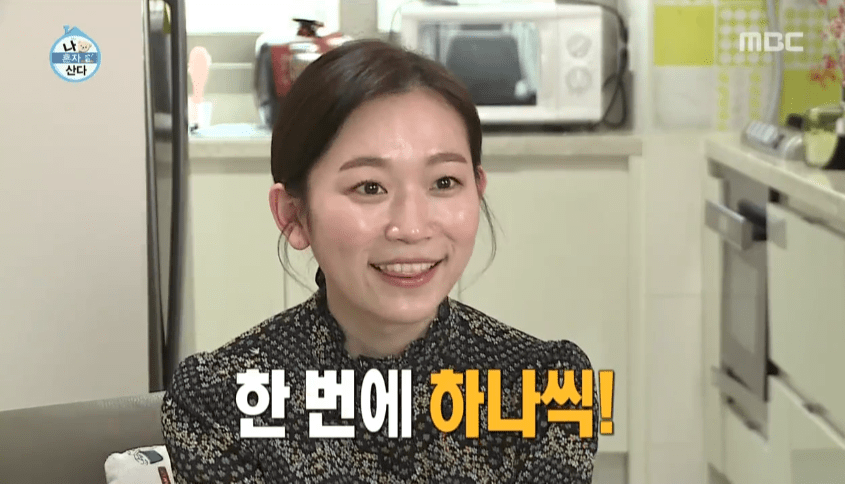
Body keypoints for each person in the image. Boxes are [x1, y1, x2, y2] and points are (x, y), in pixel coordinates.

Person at [162, 39, 599, 483]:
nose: (411, 228)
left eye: (444, 182)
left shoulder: (547, 388)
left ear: (477, 191)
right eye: (370, 187)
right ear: (293, 215)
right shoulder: (219, 401)